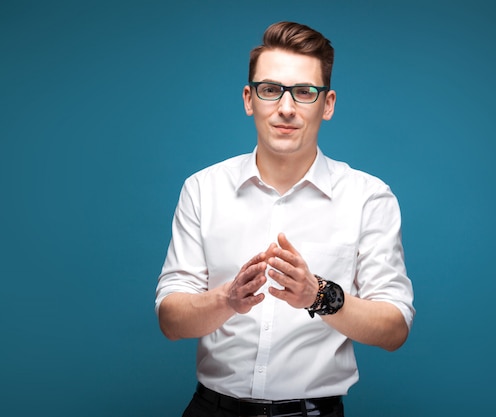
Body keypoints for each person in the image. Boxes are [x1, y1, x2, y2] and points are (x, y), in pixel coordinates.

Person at [155, 21, 415, 417]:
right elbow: (170, 320)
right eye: (271, 89)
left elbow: (395, 328)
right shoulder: (202, 189)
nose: (287, 108)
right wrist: (226, 299)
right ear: (249, 99)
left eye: (305, 92)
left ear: (327, 104)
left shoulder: (368, 198)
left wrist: (319, 296)